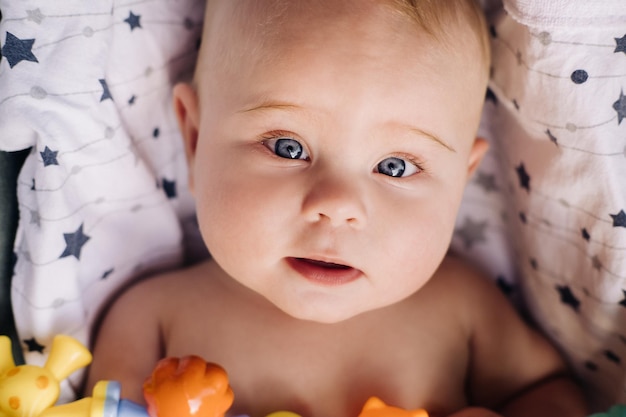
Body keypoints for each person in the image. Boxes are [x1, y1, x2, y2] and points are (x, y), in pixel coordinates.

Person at [86, 1, 588, 416]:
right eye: (287, 147)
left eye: (395, 166)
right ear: (196, 141)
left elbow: (549, 392)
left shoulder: (463, 308)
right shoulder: (152, 319)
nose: (337, 206)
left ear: (460, 183)